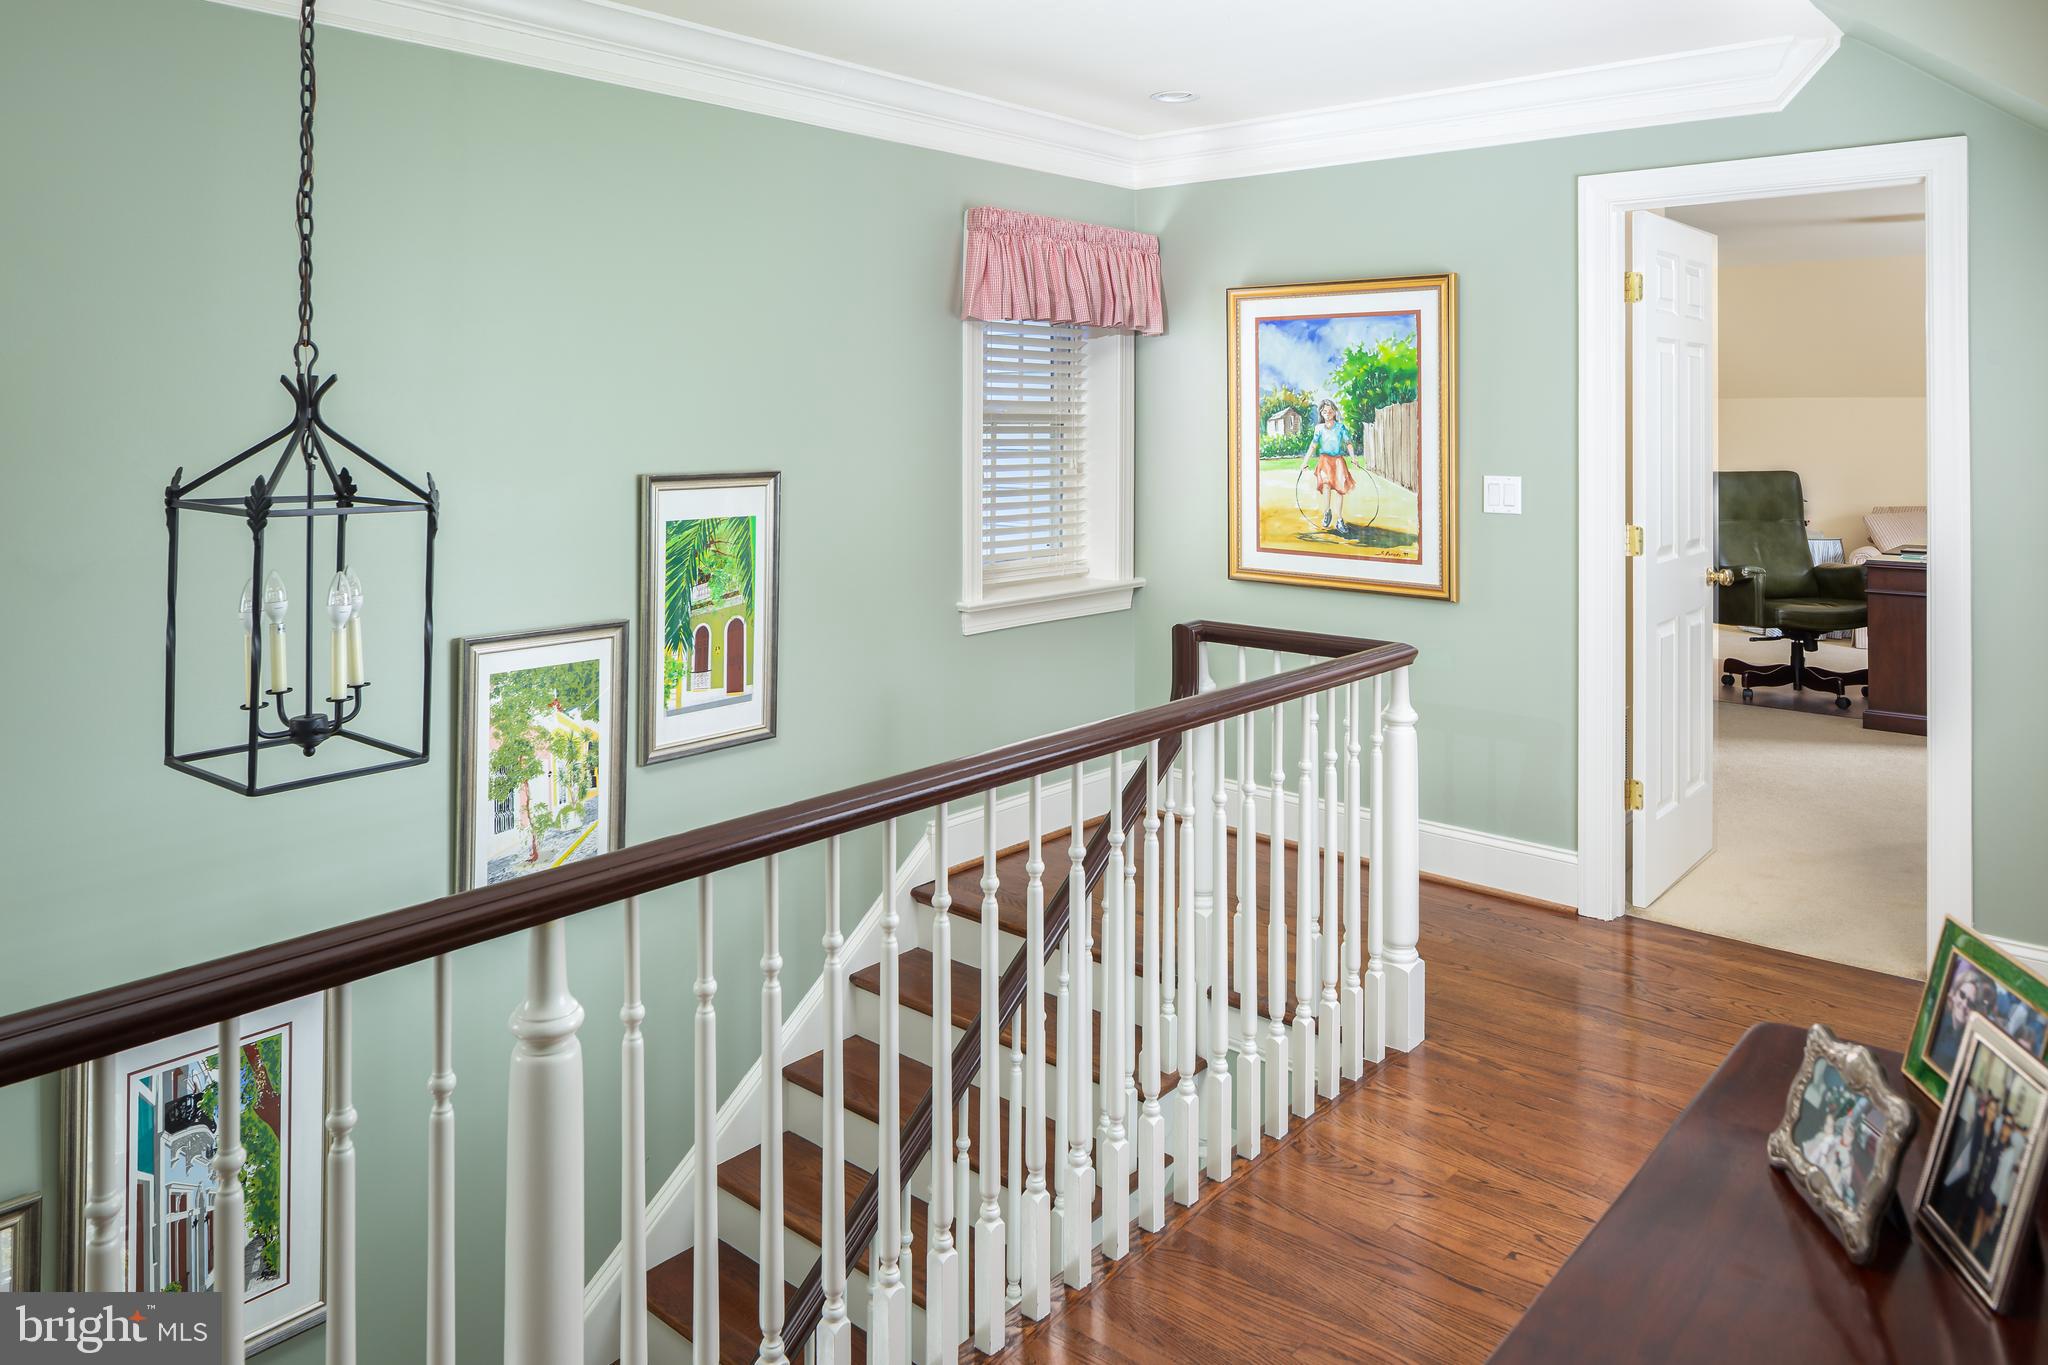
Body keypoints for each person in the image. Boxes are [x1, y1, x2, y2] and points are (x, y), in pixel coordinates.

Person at [1299, 399, 1356, 533]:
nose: (1328, 414)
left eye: (1330, 411)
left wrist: (1353, 457)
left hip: (1338, 461)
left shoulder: (1340, 427)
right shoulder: (1319, 428)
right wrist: (1305, 461)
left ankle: (1340, 520)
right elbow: (1313, 445)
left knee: (1341, 489)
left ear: (1335, 412)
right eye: (1325, 411)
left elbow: (1348, 443)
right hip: (1324, 461)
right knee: (1326, 486)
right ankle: (1327, 512)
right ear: (1321, 413)